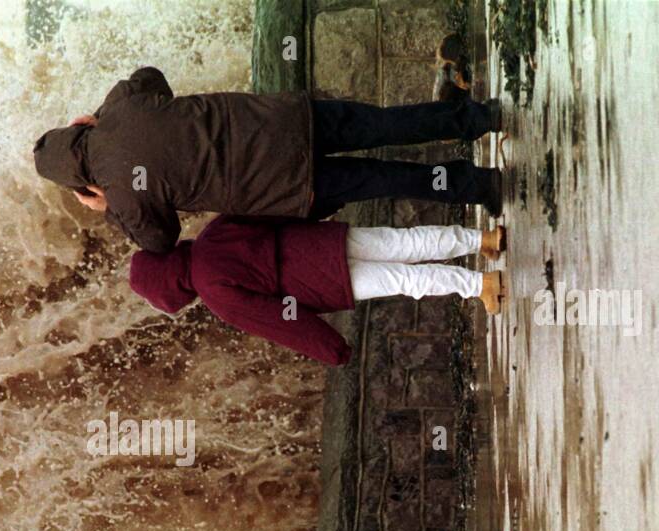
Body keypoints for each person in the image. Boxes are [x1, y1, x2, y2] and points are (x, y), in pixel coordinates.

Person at [33, 66, 505, 253]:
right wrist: (99, 116)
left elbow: (161, 242)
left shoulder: (124, 198)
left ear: (81, 186)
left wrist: (107, 209)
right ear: (76, 127)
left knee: (381, 178)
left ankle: (477, 185)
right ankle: (479, 116)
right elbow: (151, 76)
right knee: (383, 124)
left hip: (285, 183)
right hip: (285, 121)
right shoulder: (120, 105)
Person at [127, 215, 506, 366]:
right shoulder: (212, 234)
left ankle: (480, 284)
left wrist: (332, 349)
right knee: (402, 242)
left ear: (171, 290)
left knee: (404, 281)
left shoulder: (217, 295)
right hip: (321, 240)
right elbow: (268, 210)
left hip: (322, 283)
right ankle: (482, 238)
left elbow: (284, 321)